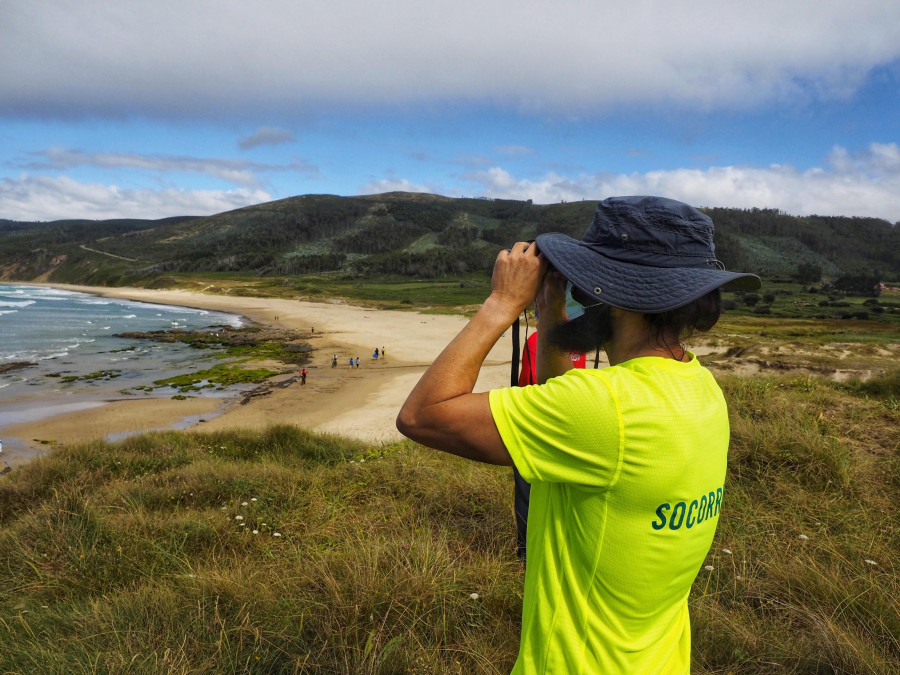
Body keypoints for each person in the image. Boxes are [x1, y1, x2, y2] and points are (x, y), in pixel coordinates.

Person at [397, 196, 760, 673]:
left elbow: (423, 415)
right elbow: (567, 408)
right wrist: (550, 311)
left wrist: (501, 304)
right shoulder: (700, 389)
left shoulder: (605, 409)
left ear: (611, 295)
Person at [512, 329, 586, 561]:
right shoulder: (581, 337)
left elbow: (528, 381)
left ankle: (526, 552)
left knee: (527, 491)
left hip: (541, 419)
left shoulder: (538, 338)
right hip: (574, 419)